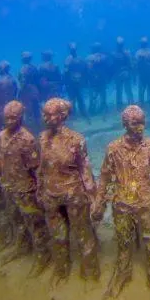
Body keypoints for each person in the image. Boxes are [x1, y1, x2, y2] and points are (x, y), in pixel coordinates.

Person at [92, 105, 150, 300]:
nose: (140, 127)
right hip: (122, 205)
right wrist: (98, 202)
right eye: (135, 123)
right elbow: (105, 177)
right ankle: (122, 272)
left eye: (142, 122)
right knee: (123, 241)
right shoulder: (114, 148)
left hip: (144, 203)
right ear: (125, 124)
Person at [38, 98, 100, 282]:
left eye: (50, 114)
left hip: (74, 195)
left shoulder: (76, 140)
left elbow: (85, 170)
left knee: (82, 233)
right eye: (44, 114)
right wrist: (40, 190)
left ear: (62, 116)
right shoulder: (41, 138)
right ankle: (62, 269)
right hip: (50, 195)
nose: (46, 118)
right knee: (57, 235)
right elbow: (42, 167)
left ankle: (90, 271)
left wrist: (93, 197)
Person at [0, 101, 49, 274]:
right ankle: (23, 246)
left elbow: (35, 167)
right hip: (9, 186)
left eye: (14, 118)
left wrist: (38, 190)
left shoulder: (27, 139)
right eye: (7, 117)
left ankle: (43, 254)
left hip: (25, 189)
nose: (9, 121)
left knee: (34, 222)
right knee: (16, 218)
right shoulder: (1, 136)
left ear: (20, 118)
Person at [63, 43, 89, 121]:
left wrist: (65, 82)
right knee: (79, 98)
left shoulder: (68, 59)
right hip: (78, 81)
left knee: (73, 98)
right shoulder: (81, 59)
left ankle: (74, 115)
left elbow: (66, 72)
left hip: (72, 82)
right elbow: (85, 70)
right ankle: (83, 113)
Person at [18, 51, 41, 131]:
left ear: (24, 59)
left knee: (27, 110)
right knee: (36, 108)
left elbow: (23, 82)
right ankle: (39, 126)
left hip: (27, 91)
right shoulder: (34, 68)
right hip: (35, 90)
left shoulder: (23, 69)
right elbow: (38, 80)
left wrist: (20, 93)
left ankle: (30, 129)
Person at [86, 42, 109, 115]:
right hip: (102, 78)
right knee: (102, 94)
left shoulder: (89, 57)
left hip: (93, 79)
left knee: (93, 95)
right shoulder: (104, 57)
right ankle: (103, 109)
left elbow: (88, 68)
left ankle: (92, 110)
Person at [111, 36, 134, 110]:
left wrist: (127, 71)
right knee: (120, 90)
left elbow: (130, 64)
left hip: (124, 73)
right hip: (120, 74)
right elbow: (113, 65)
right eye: (119, 44)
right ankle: (121, 105)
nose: (120, 46)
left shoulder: (125, 53)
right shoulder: (115, 53)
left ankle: (129, 104)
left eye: (120, 44)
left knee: (126, 90)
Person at [135, 37, 150, 108]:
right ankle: (146, 103)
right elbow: (137, 64)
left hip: (147, 73)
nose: (143, 44)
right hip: (144, 73)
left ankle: (149, 103)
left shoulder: (138, 52)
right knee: (144, 89)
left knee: (147, 89)